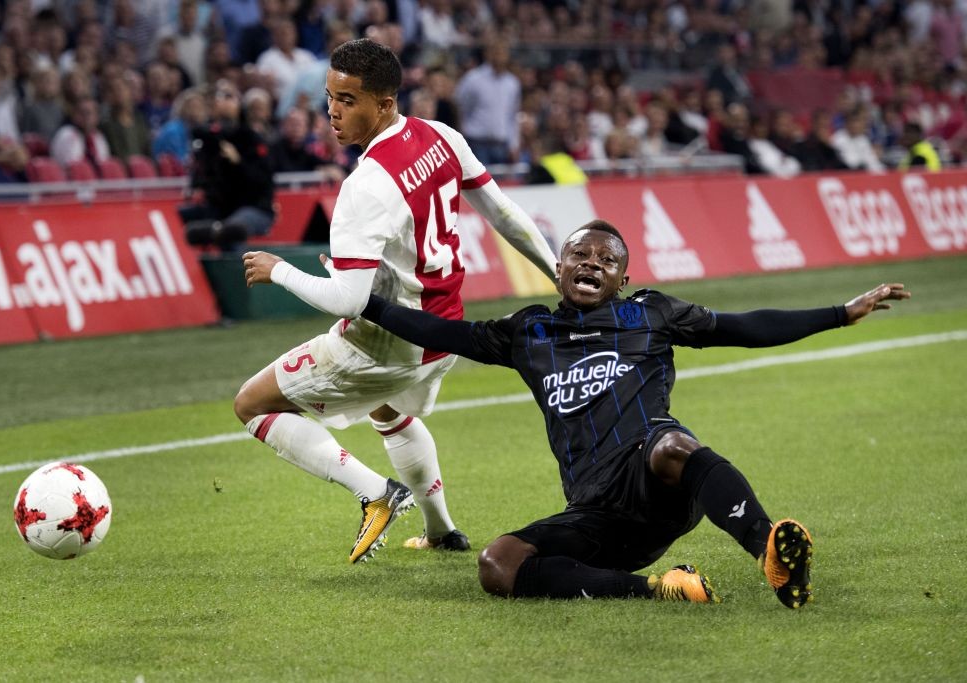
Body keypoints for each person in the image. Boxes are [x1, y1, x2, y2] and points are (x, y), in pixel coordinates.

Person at [359, 220, 910, 607]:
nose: (592, 264)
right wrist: (367, 304)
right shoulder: (528, 332)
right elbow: (441, 331)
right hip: (597, 511)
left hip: (657, 481)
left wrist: (839, 313)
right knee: (498, 564)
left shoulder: (651, 314)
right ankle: (661, 588)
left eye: (607, 260)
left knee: (672, 444)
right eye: (581, 255)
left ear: (622, 279)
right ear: (558, 269)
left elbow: (744, 327)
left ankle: (770, 550)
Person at [238, 39, 557, 564]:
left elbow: (346, 300)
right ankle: (441, 530)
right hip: (447, 332)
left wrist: (281, 271)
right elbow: (502, 212)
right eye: (329, 97)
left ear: (384, 104)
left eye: (348, 100)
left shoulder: (365, 187)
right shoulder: (440, 136)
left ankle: (375, 493)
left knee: (251, 404)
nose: (333, 112)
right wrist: (556, 271)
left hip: (387, 344)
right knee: (386, 409)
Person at [177, 79, 275, 251]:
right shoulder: (208, 139)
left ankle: (236, 273)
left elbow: (262, 182)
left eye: (228, 97)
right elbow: (201, 175)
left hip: (254, 207)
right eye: (218, 97)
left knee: (231, 230)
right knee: (176, 216)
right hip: (218, 207)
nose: (222, 101)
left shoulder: (251, 138)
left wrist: (238, 162)